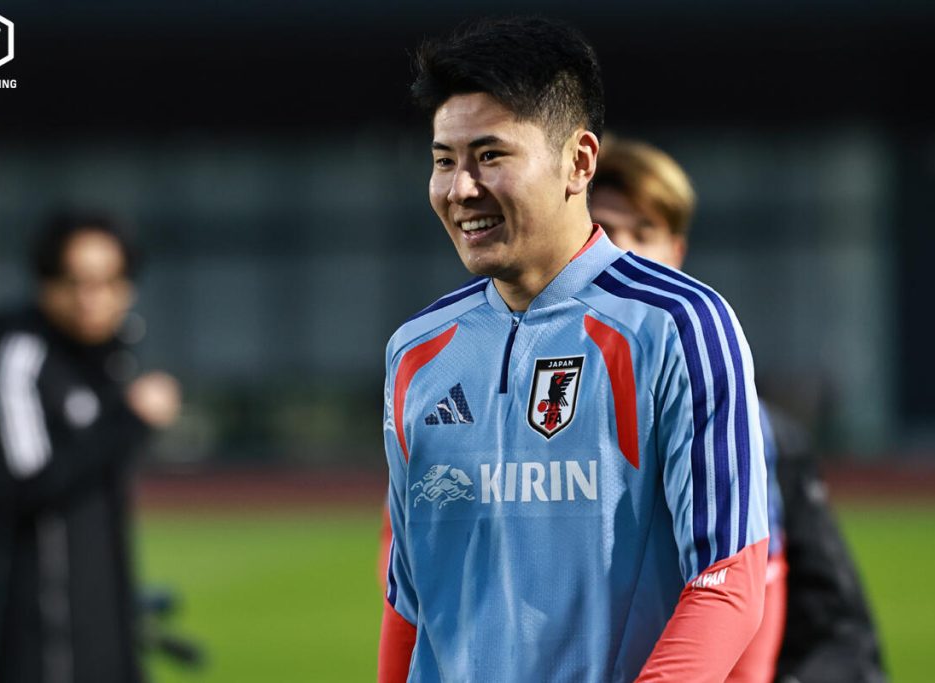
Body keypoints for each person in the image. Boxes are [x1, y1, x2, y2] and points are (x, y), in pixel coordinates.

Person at [379, 17, 769, 682]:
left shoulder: (678, 324)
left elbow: (727, 576)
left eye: (490, 156)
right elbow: (408, 600)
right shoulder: (415, 351)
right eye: (444, 160)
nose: (460, 188)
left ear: (579, 161)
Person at [590, 136, 887, 683]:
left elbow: (831, 630)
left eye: (643, 231)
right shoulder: (499, 395)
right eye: (603, 230)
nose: (623, 250)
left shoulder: (762, 430)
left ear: (677, 252)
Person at [0, 212, 181, 683]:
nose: (91, 299)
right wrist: (129, 420)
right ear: (45, 284)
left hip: (103, 637)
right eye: (75, 281)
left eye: (108, 282)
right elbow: (24, 483)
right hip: (37, 644)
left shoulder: (112, 359)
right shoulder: (21, 356)